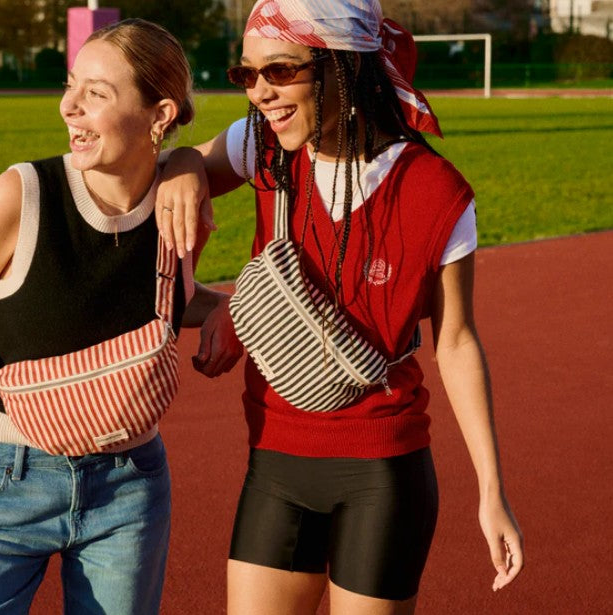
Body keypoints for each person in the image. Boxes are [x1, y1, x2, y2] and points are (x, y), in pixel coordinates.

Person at [156, 1, 524, 613]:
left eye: (279, 71)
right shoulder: (262, 146)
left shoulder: (438, 191)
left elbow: (455, 341)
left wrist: (492, 491)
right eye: (246, 75)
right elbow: (173, 166)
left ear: (343, 67)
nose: (261, 95)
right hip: (274, 459)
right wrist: (190, 163)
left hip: (381, 470)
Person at [0, 18, 233, 615]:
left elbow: (158, 302)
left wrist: (229, 307)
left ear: (159, 115)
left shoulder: (176, 205)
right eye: (71, 84)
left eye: (97, 94)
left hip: (128, 484)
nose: (69, 107)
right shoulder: (22, 195)